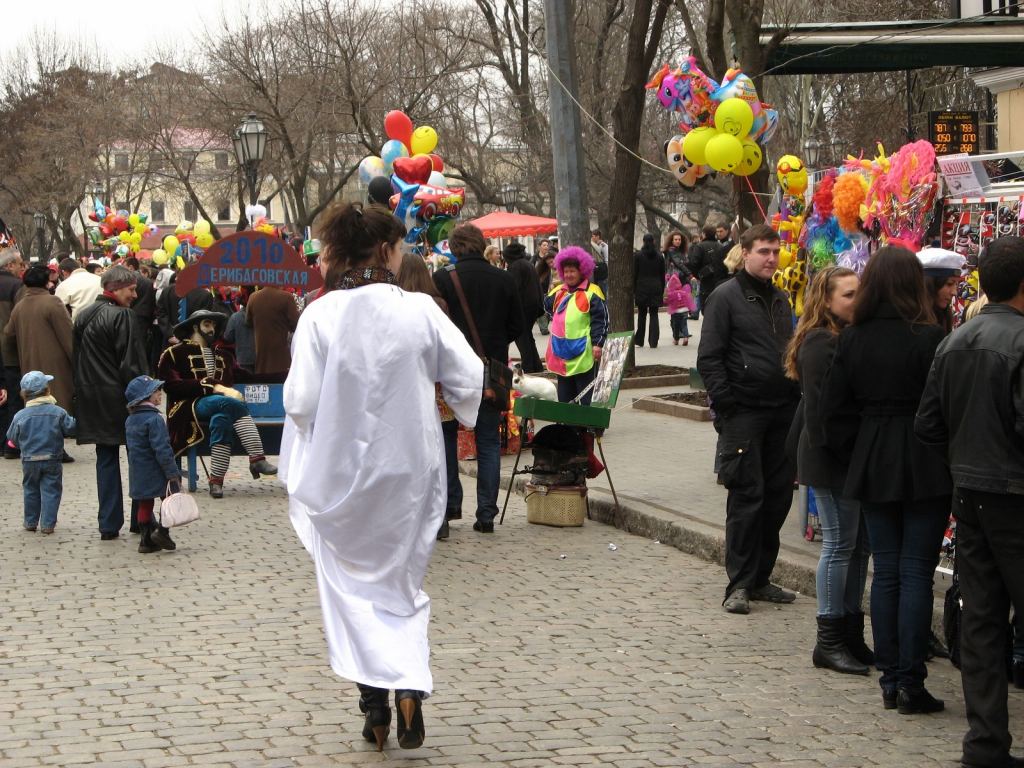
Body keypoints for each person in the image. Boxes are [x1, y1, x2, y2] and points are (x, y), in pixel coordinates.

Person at [281, 202, 482, 751]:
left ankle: (374, 701)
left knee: (348, 586)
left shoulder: (320, 315)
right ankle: (409, 683)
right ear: (388, 250)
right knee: (401, 583)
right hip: (410, 470)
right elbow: (468, 377)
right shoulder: (420, 311)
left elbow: (299, 402)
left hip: (342, 474)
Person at [822, 245, 950, 715]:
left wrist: (859, 450)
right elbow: (945, 406)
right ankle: (909, 680)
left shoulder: (852, 338)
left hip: (874, 456)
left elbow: (832, 412)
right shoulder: (929, 337)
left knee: (888, 570)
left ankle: (892, 679)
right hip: (924, 457)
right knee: (915, 571)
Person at [915, 236, 1024, 767]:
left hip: (972, 495)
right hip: (1011, 494)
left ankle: (985, 742)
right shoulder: (1014, 341)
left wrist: (962, 464)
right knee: (982, 617)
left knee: (981, 617)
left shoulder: (955, 340)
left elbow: (929, 424)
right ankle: (985, 744)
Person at [697, 224, 800, 615]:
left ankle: (761, 578)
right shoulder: (725, 297)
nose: (771, 258)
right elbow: (709, 357)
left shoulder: (780, 298)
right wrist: (726, 405)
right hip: (743, 413)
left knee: (777, 497)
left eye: (775, 251)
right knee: (746, 497)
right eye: (763, 251)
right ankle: (739, 584)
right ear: (745, 253)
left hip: (782, 411)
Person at [784, 266, 872, 676]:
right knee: (839, 546)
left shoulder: (841, 336)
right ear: (827, 300)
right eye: (849, 294)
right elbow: (821, 415)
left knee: (856, 548)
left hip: (845, 458)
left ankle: (850, 633)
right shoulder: (820, 342)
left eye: (858, 292)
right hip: (830, 459)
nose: (857, 300)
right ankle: (829, 638)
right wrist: (847, 456)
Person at [434, 222, 523, 534]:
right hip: (492, 370)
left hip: (452, 371)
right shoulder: (504, 279)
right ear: (482, 244)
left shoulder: (443, 278)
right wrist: (495, 343)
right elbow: (518, 325)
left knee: (447, 436)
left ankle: (450, 505)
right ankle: (486, 514)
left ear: (455, 247)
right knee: (488, 440)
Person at [157, 310, 277, 498]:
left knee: (221, 419)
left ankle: (216, 481)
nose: (211, 329)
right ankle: (257, 459)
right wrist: (214, 386)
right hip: (189, 408)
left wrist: (288, 374)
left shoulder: (224, 356)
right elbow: (171, 386)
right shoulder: (174, 353)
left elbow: (249, 377)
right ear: (195, 327)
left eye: (213, 325)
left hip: (223, 407)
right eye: (207, 324)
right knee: (227, 401)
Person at [72, 265, 150, 539]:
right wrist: (145, 394)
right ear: (115, 289)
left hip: (92, 397)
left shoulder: (83, 315)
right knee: (138, 456)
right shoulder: (123, 316)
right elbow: (131, 363)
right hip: (122, 398)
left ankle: (108, 523)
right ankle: (141, 518)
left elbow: (77, 359)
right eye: (131, 289)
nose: (135, 295)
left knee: (105, 459)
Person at [396, 251, 460, 541]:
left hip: (408, 392)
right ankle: (443, 512)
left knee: (412, 453)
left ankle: (416, 514)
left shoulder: (395, 305)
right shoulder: (438, 305)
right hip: (438, 391)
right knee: (444, 452)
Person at [6, 371, 75, 535]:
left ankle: (30, 522)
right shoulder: (58, 412)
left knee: (30, 490)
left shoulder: (19, 415)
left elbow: (12, 437)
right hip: (52, 458)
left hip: (29, 460)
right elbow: (71, 428)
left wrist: (22, 445)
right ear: (47, 390)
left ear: (24, 394)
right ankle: (47, 524)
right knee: (51, 491)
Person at [4, 265, 75, 416]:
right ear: (46, 282)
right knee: (59, 403)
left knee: (35, 407)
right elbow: (68, 337)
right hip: (56, 366)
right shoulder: (53, 302)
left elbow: (8, 333)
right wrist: (77, 362)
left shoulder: (19, 306)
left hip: (28, 364)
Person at [543, 246, 608, 405]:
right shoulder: (559, 291)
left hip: (583, 353)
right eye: (566, 271)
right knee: (564, 397)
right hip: (560, 352)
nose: (568, 275)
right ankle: (567, 421)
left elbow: (600, 320)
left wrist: (598, 344)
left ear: (582, 271)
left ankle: (588, 421)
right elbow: (546, 306)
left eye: (572, 271)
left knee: (586, 397)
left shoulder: (592, 292)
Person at [124, 375, 180, 554]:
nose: (160, 393)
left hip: (138, 470)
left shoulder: (130, 420)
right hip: (156, 469)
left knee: (145, 504)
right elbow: (162, 448)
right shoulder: (155, 419)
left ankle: (145, 541)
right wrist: (172, 473)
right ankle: (163, 532)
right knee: (168, 500)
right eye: (156, 391)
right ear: (145, 396)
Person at [502, 242, 544, 373]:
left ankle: (529, 366)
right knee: (527, 337)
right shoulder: (526, 263)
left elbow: (514, 289)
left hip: (523, 307)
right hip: (532, 306)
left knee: (522, 339)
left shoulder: (516, 266)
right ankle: (535, 365)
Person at [0, 247, 25, 458]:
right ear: (9, 265)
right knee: (13, 398)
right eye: (19, 264)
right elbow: (20, 321)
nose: (22, 268)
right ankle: (10, 444)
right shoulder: (16, 286)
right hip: (8, 352)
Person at [245, 286, 300, 376]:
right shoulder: (287, 297)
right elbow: (296, 324)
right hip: (281, 359)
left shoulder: (253, 297)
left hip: (261, 357)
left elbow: (248, 322)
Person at [917, 247, 965, 335]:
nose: (954, 292)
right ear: (930, 285)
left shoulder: (942, 318)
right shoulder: (911, 325)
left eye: (956, 285)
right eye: (949, 284)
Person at [634, 234, 666, 348]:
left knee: (642, 314)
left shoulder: (638, 256)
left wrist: (634, 289)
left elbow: (635, 274)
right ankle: (653, 341)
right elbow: (662, 275)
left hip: (641, 287)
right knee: (654, 314)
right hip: (656, 286)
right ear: (653, 242)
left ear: (643, 241)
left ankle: (639, 340)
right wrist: (662, 288)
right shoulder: (660, 256)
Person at [688, 224, 727, 314]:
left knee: (706, 307)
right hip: (719, 281)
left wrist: (698, 275)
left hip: (705, 280)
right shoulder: (720, 246)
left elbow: (694, 263)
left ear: (704, 234)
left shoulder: (700, 246)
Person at [223, 289, 256, 374]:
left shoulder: (235, 317)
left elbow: (228, 337)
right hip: (261, 359)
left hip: (243, 358)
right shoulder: (263, 316)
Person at [664, 271, 695, 346]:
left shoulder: (671, 294)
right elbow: (688, 301)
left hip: (676, 312)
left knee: (676, 326)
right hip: (684, 311)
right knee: (684, 325)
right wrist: (690, 310)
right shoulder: (683, 292)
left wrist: (664, 300)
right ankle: (686, 338)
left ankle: (676, 340)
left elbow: (667, 301)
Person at [590, 228, 609, 296]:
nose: (592, 238)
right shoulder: (596, 245)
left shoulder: (603, 245)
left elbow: (606, 258)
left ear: (598, 236)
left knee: (603, 290)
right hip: (599, 270)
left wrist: (607, 268)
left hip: (603, 270)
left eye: (593, 236)